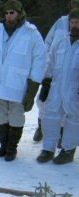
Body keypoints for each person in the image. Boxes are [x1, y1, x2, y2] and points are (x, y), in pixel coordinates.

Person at [0, 0, 46, 161]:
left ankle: (12, 148)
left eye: (12, 12)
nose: (9, 16)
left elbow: (40, 60)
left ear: (20, 13)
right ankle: (3, 146)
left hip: (18, 83)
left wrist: (32, 88)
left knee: (16, 116)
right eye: (6, 13)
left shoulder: (31, 33)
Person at [36, 8, 79, 164]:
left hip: (74, 91)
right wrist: (46, 81)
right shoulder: (61, 42)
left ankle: (68, 150)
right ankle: (48, 149)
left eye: (78, 22)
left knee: (73, 120)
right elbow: (50, 62)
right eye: (73, 22)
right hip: (56, 88)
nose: (75, 25)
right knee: (50, 117)